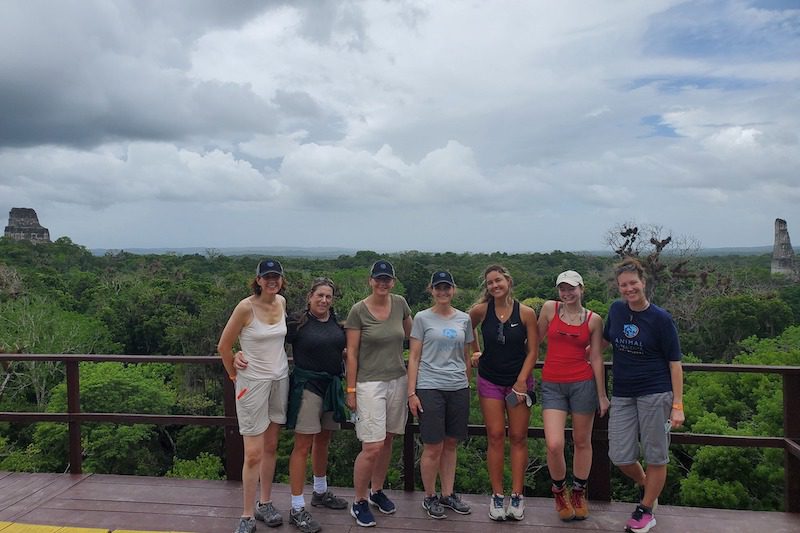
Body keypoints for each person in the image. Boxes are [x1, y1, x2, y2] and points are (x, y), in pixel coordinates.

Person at [603, 258, 684, 533]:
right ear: (618, 287)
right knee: (620, 455)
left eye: (633, 283)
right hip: (623, 394)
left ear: (644, 282)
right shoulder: (615, 311)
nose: (629, 289)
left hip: (656, 393)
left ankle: (646, 509)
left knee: (656, 455)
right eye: (623, 285)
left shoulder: (660, 318)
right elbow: (603, 340)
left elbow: (675, 363)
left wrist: (677, 405)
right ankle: (646, 485)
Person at [218, 259, 289, 533]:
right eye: (266, 277)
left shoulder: (281, 303)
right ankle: (246, 515)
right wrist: (234, 373)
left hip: (279, 379)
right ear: (258, 280)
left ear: (281, 280)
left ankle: (266, 502)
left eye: (276, 276)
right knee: (253, 454)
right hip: (253, 384)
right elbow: (224, 345)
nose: (272, 281)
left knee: (271, 447)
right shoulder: (245, 307)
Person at [344, 259, 412, 528]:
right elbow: (352, 354)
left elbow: (413, 336)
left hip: (398, 379)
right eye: (378, 279)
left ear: (392, 281)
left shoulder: (400, 304)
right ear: (370, 280)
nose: (382, 283)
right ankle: (358, 501)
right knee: (371, 445)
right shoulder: (358, 310)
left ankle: (376, 490)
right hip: (369, 383)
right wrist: (351, 389)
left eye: (387, 279)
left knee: (388, 440)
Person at [468, 264, 538, 521]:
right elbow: (468, 328)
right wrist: (476, 350)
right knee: (495, 436)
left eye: (498, 280)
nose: (495, 286)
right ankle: (498, 495)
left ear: (508, 281)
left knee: (518, 437)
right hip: (489, 380)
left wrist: (521, 381)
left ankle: (517, 495)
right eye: (490, 283)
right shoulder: (481, 310)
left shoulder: (527, 313)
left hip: (518, 382)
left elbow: (533, 351)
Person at [537, 270, 609, 521]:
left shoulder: (593, 320)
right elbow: (533, 341)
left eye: (571, 288)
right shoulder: (549, 309)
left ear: (582, 288)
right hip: (552, 383)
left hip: (582, 383)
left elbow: (598, 357)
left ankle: (578, 492)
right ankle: (559, 491)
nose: (567, 293)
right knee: (554, 444)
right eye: (562, 289)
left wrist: (601, 394)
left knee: (582, 441)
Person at [283, 277, 349, 533]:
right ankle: (297, 507)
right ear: (310, 296)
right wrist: (242, 354)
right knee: (302, 445)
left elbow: (341, 350)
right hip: (308, 387)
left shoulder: (335, 322)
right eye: (319, 295)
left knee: (323, 440)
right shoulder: (296, 323)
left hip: (332, 386)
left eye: (328, 297)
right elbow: (268, 341)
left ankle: (320, 492)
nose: (324, 300)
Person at [407, 271, 473, 520]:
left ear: (453, 289)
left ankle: (448, 494)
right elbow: (413, 357)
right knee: (433, 445)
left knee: (451, 443)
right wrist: (411, 392)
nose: (443, 292)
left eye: (447, 287)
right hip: (430, 386)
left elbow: (466, 356)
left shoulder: (464, 319)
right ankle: (429, 496)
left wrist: (467, 384)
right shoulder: (422, 318)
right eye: (438, 288)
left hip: (457, 387)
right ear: (431, 290)